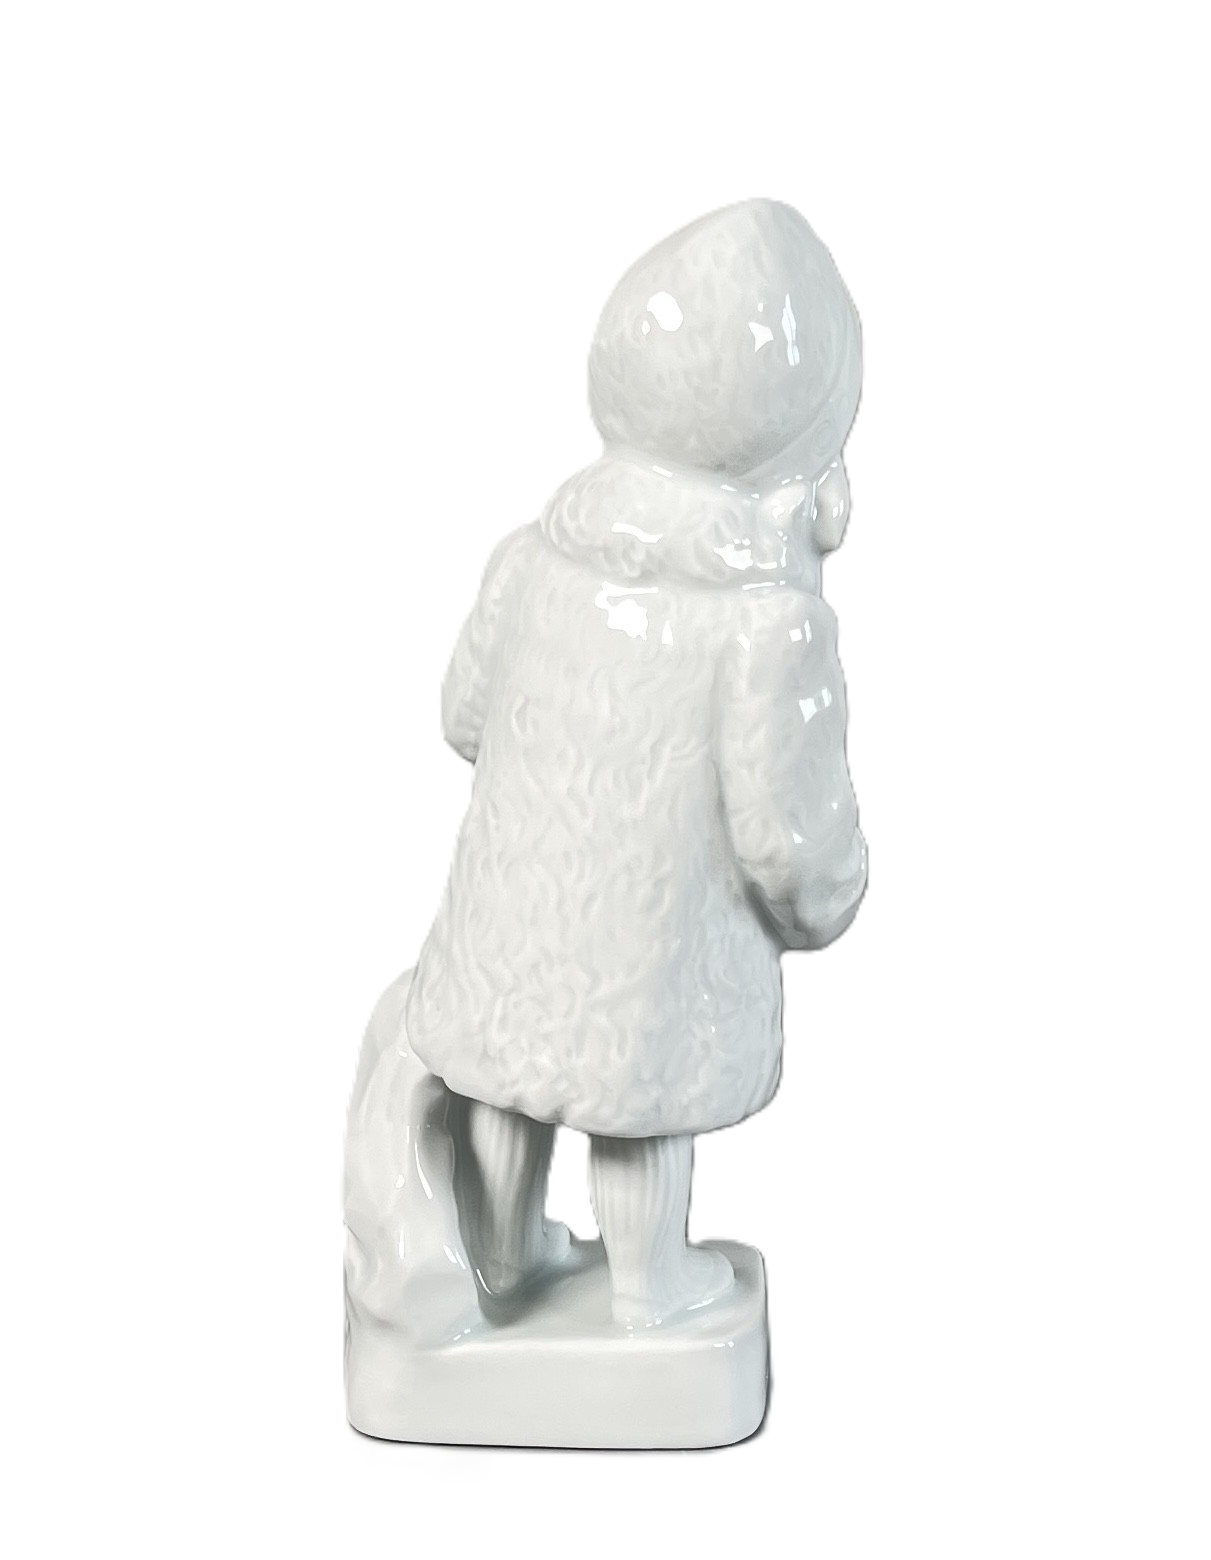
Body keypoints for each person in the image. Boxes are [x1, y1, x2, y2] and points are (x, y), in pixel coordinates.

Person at [405, 199, 867, 1326]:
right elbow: (785, 829)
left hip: (517, 907)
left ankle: (502, 1253)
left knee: (510, 1079)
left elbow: (463, 715)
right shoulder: (764, 623)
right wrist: (830, 889)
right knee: (638, 1101)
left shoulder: (533, 559)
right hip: (660, 941)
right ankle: (649, 1285)